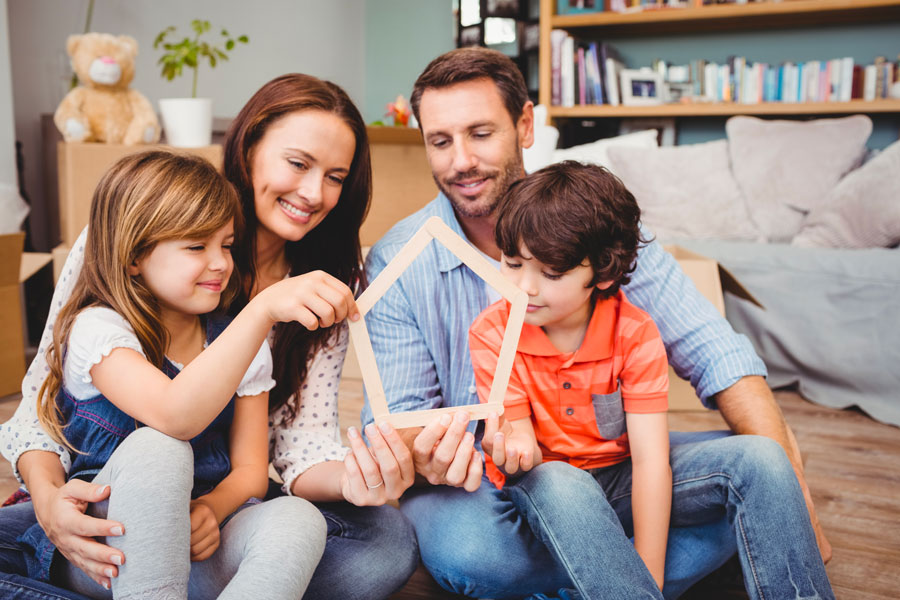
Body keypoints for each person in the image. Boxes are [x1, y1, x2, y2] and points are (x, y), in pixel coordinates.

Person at [361, 47, 830, 598]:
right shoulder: (399, 260)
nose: (460, 159)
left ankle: (607, 570)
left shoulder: (597, 224)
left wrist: (797, 501)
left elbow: (712, 350)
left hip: (615, 461)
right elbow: (397, 420)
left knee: (763, 471)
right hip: (491, 484)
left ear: (526, 124)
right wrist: (443, 451)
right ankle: (639, 562)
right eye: (440, 141)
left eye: (481, 133)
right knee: (474, 554)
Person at [0, 74, 418, 600]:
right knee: (157, 454)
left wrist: (356, 479)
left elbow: (291, 449)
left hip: (218, 518)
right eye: (298, 163)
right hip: (107, 514)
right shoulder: (129, 238)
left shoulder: (323, 283)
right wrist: (48, 501)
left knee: (383, 541)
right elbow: (41, 408)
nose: (314, 193)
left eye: (336, 176)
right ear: (248, 148)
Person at [468, 161, 834, 599]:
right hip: (545, 483)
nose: (524, 287)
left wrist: (650, 574)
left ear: (601, 273)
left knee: (763, 458)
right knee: (562, 482)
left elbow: (649, 462)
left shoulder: (635, 333)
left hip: (619, 475)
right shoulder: (492, 332)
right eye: (512, 264)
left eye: (551, 273)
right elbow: (521, 441)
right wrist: (512, 444)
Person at [17, 150, 332, 598]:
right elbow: (174, 415)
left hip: (196, 545)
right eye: (195, 247)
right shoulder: (100, 329)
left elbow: (249, 469)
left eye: (226, 244)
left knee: (300, 518)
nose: (222, 263)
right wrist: (262, 308)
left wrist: (212, 508)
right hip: (106, 547)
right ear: (133, 258)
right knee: (160, 448)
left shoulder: (238, 339)